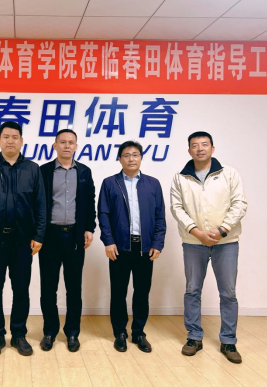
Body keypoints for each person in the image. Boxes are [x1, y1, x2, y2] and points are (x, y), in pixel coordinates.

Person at [0, 121, 46, 358]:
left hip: (23, 242)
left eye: (15, 137)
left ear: (21, 141)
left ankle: (19, 334)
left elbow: (40, 205)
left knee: (21, 290)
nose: (10, 141)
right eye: (6, 136)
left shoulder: (32, 169)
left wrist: (39, 235)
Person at [171, 131, 248, 364]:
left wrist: (222, 230)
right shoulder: (180, 178)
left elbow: (239, 203)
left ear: (212, 149)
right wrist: (197, 232)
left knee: (228, 293)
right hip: (194, 243)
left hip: (226, 242)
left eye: (205, 144)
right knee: (192, 290)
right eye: (195, 145)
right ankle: (194, 337)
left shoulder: (229, 174)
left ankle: (228, 341)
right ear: (189, 151)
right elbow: (176, 208)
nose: (200, 149)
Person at [98, 141, 166, 353]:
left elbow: (160, 216)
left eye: (135, 154)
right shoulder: (110, 183)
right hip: (119, 247)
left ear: (141, 158)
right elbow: (103, 214)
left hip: (145, 248)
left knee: (142, 292)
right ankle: (120, 333)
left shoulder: (153, 184)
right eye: (126, 155)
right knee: (118, 292)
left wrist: (157, 243)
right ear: (119, 159)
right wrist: (108, 241)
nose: (131, 159)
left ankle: (138, 332)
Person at [38, 129, 97, 353]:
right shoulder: (43, 171)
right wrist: (37, 234)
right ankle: (50, 331)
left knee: (73, 288)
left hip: (75, 237)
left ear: (76, 146)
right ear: (55, 146)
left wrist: (89, 228)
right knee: (48, 288)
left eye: (71, 142)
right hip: (49, 236)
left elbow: (90, 202)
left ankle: (72, 332)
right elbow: (37, 204)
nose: (67, 146)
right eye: (62, 142)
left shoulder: (84, 172)